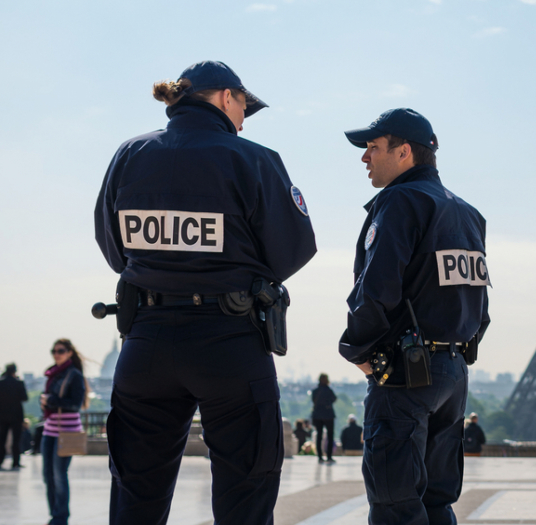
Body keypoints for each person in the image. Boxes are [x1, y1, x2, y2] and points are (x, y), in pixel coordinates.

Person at [95, 60, 316, 524]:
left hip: (146, 342)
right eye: (244, 108)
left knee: (135, 498)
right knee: (245, 496)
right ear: (226, 97)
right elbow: (292, 251)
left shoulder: (129, 154)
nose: (243, 121)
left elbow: (114, 249)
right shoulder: (252, 158)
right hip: (229, 341)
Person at [339, 108, 490, 525]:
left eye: (373, 147)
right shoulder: (467, 212)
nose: (365, 157)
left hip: (405, 372)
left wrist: (358, 351)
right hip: (453, 372)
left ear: (404, 152)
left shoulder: (399, 201)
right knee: (437, 502)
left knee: (396, 505)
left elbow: (376, 287)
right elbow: (478, 299)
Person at [41, 339, 89, 525]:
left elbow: (76, 404)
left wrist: (51, 401)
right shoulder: (53, 373)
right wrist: (45, 401)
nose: (56, 354)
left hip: (67, 432)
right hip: (50, 429)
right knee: (48, 475)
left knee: (59, 474)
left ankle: (60, 517)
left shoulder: (74, 375)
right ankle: (54, 514)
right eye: (54, 351)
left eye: (60, 351)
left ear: (69, 353)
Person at [0, 363, 28, 470]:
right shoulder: (18, 383)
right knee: (16, 440)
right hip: (16, 415)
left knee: (1, 439)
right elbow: (24, 398)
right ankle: (16, 462)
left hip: (2, 415)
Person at [312, 373, 338, 463]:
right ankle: (329, 456)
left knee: (319, 436)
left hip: (318, 415)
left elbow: (313, 400)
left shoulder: (315, 391)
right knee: (330, 436)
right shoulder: (329, 390)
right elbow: (334, 399)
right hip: (328, 415)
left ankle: (320, 456)